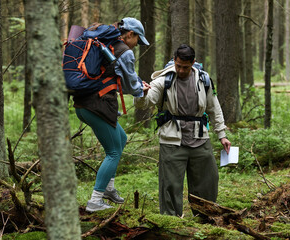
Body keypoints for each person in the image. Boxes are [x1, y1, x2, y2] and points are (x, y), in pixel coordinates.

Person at [134, 44, 231, 216]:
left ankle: (205, 216)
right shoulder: (164, 80)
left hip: (199, 137)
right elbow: (147, 102)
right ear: (174, 61)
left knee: (208, 179)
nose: (180, 70)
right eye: (178, 66)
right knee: (170, 184)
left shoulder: (204, 79)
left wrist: (222, 134)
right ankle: (171, 219)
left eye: (185, 67)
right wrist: (141, 94)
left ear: (193, 63)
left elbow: (214, 107)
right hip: (172, 139)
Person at [73, 17, 150, 212]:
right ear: (130, 34)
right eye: (137, 41)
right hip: (98, 106)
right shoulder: (124, 51)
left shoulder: (106, 46)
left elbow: (116, 80)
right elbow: (131, 85)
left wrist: (136, 84)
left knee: (121, 139)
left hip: (84, 104)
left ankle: (109, 189)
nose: (137, 46)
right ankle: (95, 200)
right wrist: (141, 89)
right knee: (113, 152)